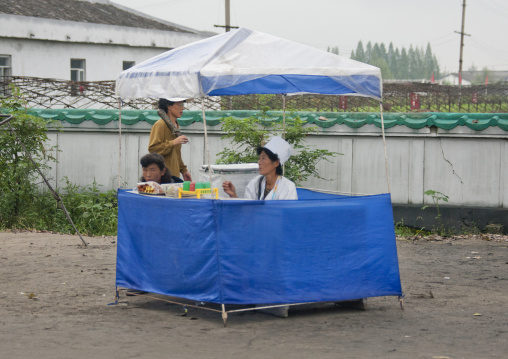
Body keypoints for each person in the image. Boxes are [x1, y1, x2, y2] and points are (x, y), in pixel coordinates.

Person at [222, 136, 297, 200]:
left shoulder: (288, 188)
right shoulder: (255, 183)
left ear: (276, 163)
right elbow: (247, 211)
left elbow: (289, 214)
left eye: (263, 158)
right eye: (259, 158)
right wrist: (233, 195)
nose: (259, 162)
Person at [148, 98, 192, 182]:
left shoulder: (175, 126)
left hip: (174, 175)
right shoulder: (160, 125)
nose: (182, 108)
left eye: (183, 105)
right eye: (179, 104)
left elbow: (176, 153)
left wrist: (183, 170)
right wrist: (173, 142)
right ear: (169, 106)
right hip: (162, 177)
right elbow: (153, 149)